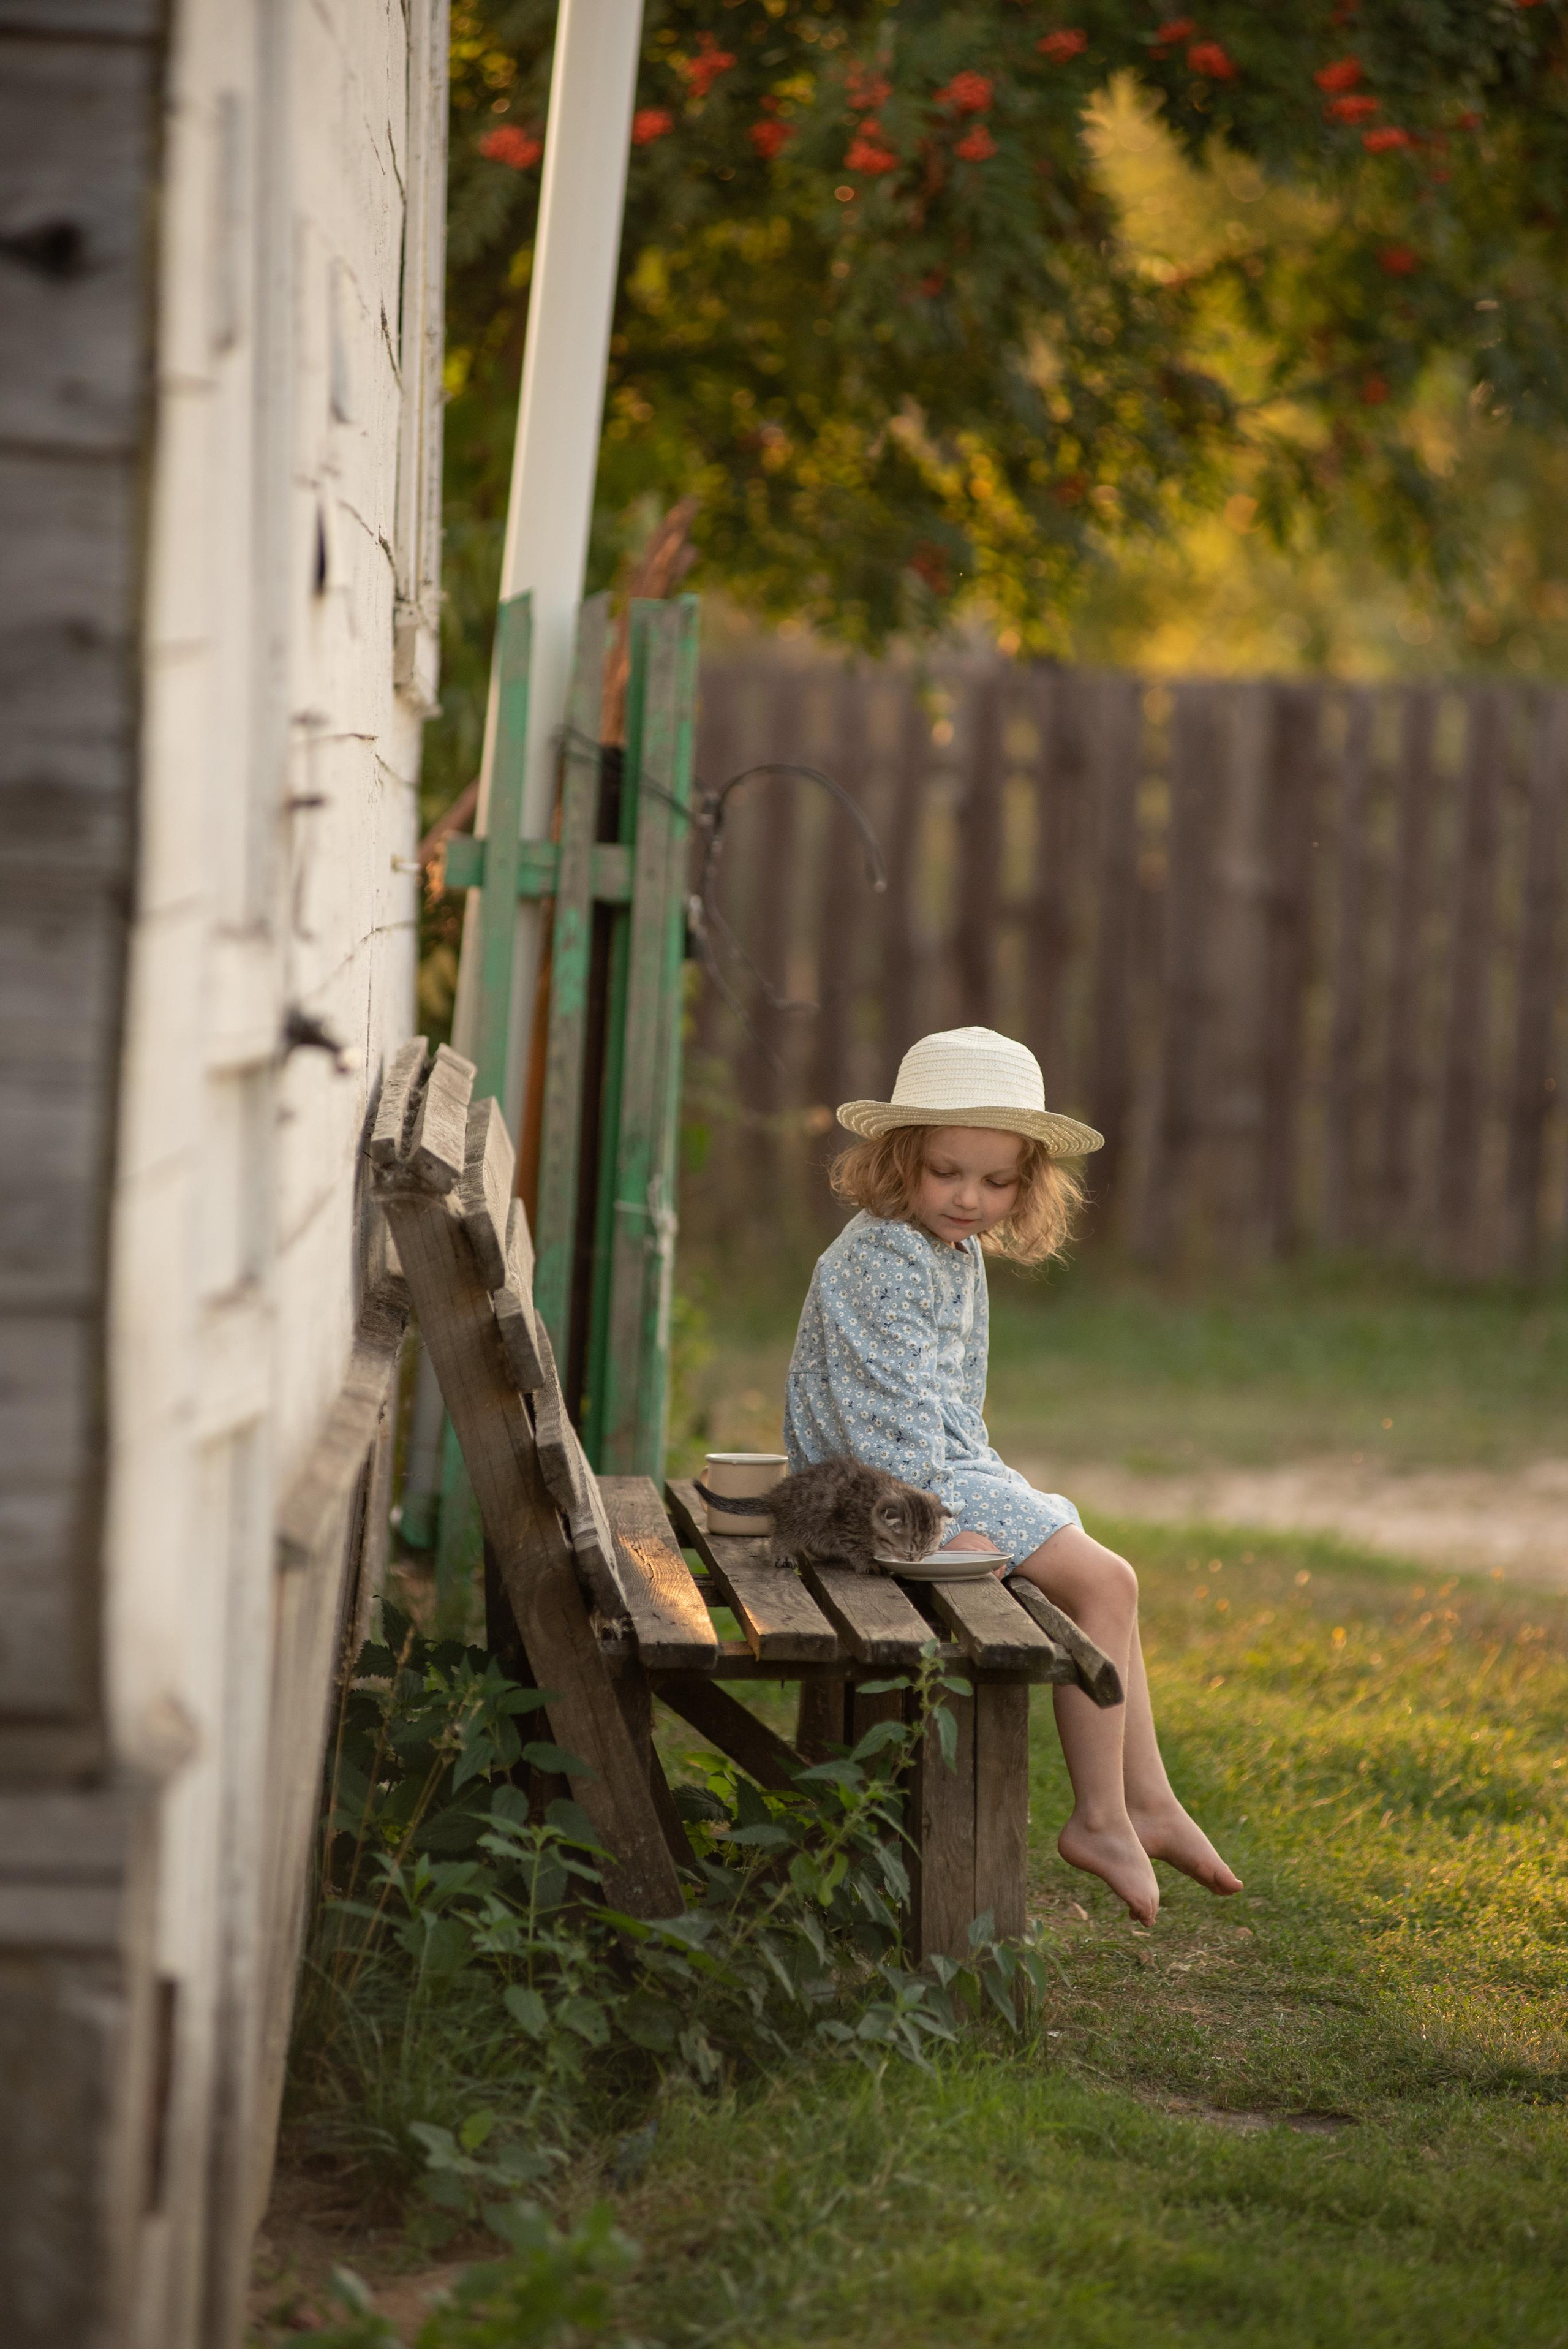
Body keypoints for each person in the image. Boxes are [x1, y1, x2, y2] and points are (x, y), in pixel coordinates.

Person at [783, 1024, 1241, 1927]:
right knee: (1105, 1578)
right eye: (949, 1172)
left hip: (919, 1476)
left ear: (1028, 1183)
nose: (971, 1198)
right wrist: (952, 1527)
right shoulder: (880, 1256)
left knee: (1100, 1577)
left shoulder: (943, 1250)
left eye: (998, 1182)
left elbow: (951, 1405)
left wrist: (1003, 1496)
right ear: (901, 1156)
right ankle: (1104, 1816)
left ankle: (1144, 1799)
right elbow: (891, 1429)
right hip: (873, 1501)